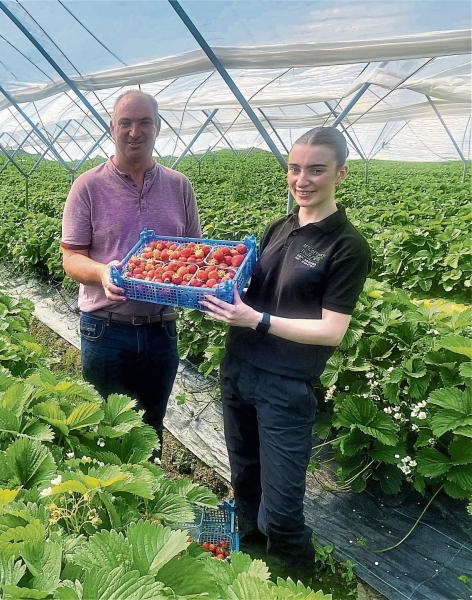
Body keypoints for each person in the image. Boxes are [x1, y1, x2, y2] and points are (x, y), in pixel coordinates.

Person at [200, 127, 371, 575]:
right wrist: (209, 285)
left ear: (341, 174)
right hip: (238, 371)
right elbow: (248, 288)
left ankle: (297, 579)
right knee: (245, 481)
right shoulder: (280, 226)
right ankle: (251, 571)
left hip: (285, 385)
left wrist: (259, 321)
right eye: (295, 169)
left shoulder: (346, 246)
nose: (302, 179)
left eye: (316, 169)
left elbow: (332, 331)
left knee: (280, 510)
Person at [60, 90, 201, 460]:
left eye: (144, 122)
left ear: (158, 127)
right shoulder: (87, 186)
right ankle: (107, 509)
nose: (134, 131)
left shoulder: (179, 186)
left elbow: (194, 254)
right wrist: (102, 271)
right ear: (112, 128)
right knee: (104, 432)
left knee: (151, 429)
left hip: (161, 329)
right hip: (106, 329)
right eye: (125, 122)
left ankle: (148, 506)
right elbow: (71, 258)